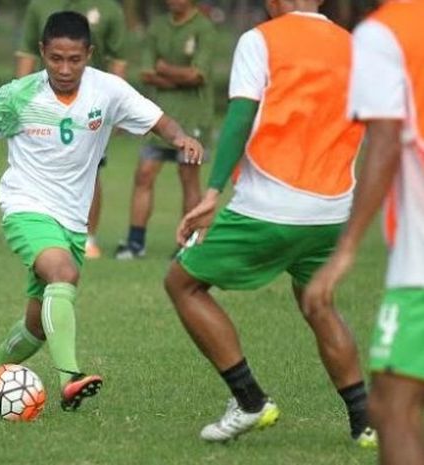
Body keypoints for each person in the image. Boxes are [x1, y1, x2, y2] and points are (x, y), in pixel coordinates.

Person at [0, 11, 202, 412]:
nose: (64, 68)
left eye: (74, 59)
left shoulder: (107, 90)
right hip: (25, 206)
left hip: (72, 220)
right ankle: (70, 379)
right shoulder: (19, 95)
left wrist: (181, 138)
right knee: (64, 273)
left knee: (37, 325)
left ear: (89, 55)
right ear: (42, 52)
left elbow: (159, 120)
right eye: (55, 58)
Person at [162, 0, 377, 446]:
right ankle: (366, 423)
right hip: (334, 208)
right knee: (319, 304)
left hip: (272, 205)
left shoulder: (260, 39)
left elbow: (241, 115)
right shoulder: (354, 46)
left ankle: (249, 401)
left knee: (182, 283)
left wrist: (212, 192)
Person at [304, 0, 424, 463]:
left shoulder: (385, 33)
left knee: (393, 406)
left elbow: (386, 140)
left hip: (418, 269)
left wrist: (345, 250)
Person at [16, 0, 128, 259]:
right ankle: (44, 231)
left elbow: (118, 60)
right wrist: (20, 104)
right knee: (42, 167)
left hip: (90, 107)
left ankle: (87, 237)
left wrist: (118, 109)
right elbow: (26, 53)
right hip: (46, 103)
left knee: (91, 169)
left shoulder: (109, 9)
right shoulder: (39, 6)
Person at [115, 0, 215, 260]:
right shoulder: (157, 27)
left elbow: (198, 75)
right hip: (158, 118)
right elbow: (147, 73)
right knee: (144, 174)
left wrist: (165, 69)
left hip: (193, 118)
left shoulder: (204, 28)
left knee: (188, 177)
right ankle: (135, 243)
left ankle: (188, 245)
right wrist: (178, 77)